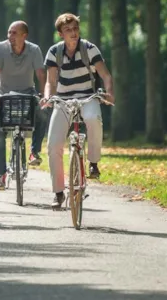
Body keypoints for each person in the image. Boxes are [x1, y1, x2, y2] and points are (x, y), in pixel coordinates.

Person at [40, 13, 115, 210]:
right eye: (68, 30)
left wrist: (109, 93)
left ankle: (93, 162)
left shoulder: (89, 49)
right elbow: (50, 81)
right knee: (53, 144)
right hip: (63, 100)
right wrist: (48, 97)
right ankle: (58, 192)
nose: (73, 33)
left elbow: (105, 75)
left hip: (87, 97)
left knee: (93, 118)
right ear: (60, 34)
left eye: (75, 29)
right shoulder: (54, 52)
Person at [0, 20, 46, 190]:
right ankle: (1, 174)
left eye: (14, 33)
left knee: (43, 114)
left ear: (24, 35)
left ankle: (34, 152)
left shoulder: (34, 50)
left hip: (28, 93)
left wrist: (43, 96)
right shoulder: (1, 48)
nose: (10, 36)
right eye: (9, 32)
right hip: (4, 95)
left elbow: (41, 74)